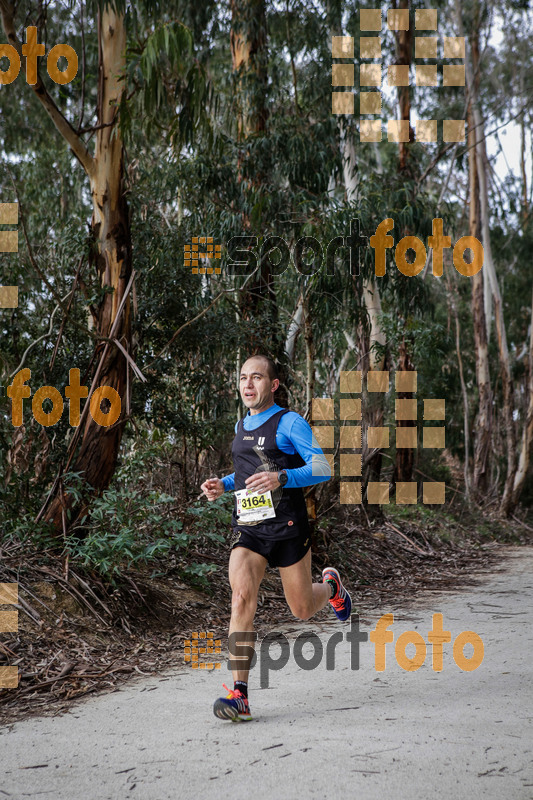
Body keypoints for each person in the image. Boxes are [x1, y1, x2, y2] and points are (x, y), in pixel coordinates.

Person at [201, 355, 352, 722]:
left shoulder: (289, 423)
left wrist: (282, 477)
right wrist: (223, 484)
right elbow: (247, 474)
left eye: (256, 377)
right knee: (240, 597)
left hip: (287, 528)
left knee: (301, 608)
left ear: (273, 385)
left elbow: (321, 467)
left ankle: (331, 589)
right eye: (242, 378)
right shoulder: (241, 425)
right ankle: (240, 695)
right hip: (250, 529)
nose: (248, 384)